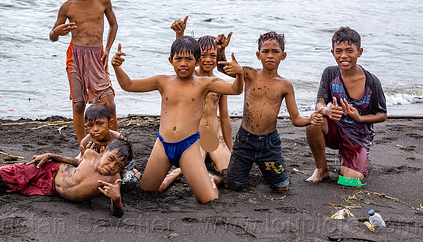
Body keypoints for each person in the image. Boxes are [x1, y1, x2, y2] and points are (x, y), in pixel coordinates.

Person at [111, 34, 244, 203]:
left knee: (209, 199)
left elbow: (235, 90)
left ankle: (209, 179)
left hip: (188, 146)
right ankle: (174, 173)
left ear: (197, 62)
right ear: (170, 60)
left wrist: (239, 75)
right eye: (178, 58)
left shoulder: (205, 83)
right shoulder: (162, 81)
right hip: (162, 145)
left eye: (188, 59)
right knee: (147, 191)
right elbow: (128, 85)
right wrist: (117, 67)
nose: (183, 63)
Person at [216, 31, 322, 191]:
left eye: (275, 51)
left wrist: (310, 119)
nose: (270, 55)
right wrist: (221, 51)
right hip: (245, 141)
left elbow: (296, 119)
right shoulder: (250, 74)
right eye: (265, 51)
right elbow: (223, 68)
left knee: (281, 188)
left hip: (269, 144)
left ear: (283, 55)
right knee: (232, 185)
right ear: (258, 55)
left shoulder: (285, 85)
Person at [0, 138, 133, 217]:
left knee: (4, 183)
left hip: (50, 190)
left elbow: (117, 214)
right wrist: (50, 155)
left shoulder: (112, 179)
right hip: (48, 170)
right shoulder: (91, 155)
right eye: (111, 159)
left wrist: (116, 200)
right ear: (102, 151)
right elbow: (74, 162)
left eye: (118, 166)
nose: (111, 167)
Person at [49, 0, 118, 146]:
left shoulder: (103, 0)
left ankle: (114, 147)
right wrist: (57, 32)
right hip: (76, 56)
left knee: (108, 103)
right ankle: (83, 147)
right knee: (79, 104)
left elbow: (113, 24)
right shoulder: (67, 7)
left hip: (97, 55)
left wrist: (108, 49)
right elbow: (52, 35)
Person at [305, 27, 387, 183]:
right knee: (314, 120)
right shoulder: (330, 73)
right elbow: (319, 102)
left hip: (358, 135)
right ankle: (322, 169)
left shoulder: (372, 82)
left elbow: (382, 114)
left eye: (349, 51)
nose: (344, 56)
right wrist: (327, 110)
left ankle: (351, 160)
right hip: (334, 129)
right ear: (332, 52)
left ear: (359, 52)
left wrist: (359, 118)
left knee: (350, 181)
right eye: (338, 51)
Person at [160, 17, 233, 191]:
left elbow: (224, 116)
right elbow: (180, 58)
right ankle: (180, 172)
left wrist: (231, 147)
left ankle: (208, 172)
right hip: (194, 139)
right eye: (203, 55)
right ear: (196, 57)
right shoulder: (191, 79)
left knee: (229, 174)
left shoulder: (219, 82)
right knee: (191, 168)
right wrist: (180, 34)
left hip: (214, 136)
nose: (208, 60)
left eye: (213, 56)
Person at [79, 103, 141, 191]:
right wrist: (86, 154)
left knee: (128, 183)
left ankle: (136, 174)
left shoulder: (118, 138)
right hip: (102, 167)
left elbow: (125, 159)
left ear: (110, 123)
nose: (95, 129)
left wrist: (122, 171)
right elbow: (82, 164)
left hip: (119, 166)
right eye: (90, 126)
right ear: (86, 127)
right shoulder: (86, 142)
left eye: (100, 124)